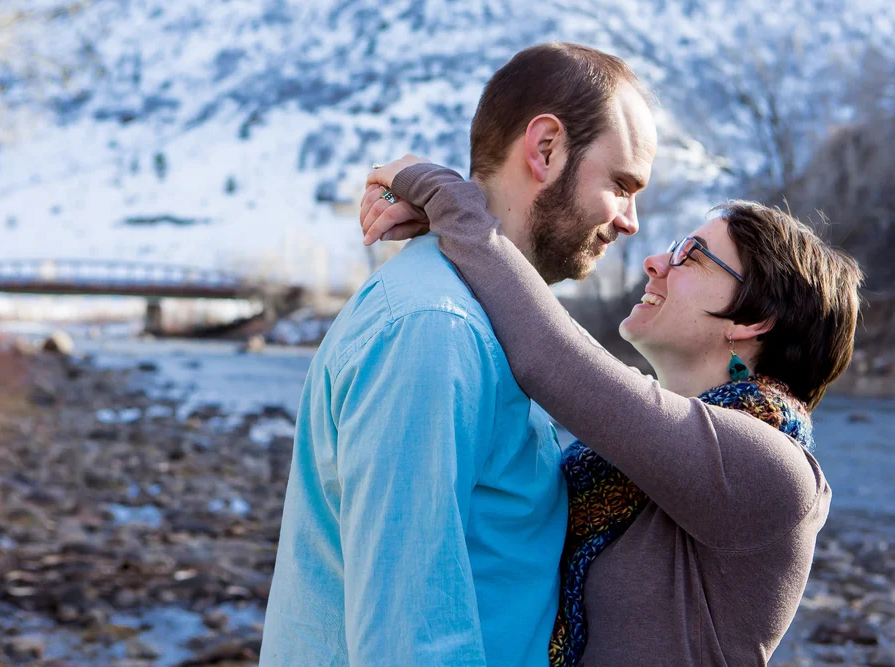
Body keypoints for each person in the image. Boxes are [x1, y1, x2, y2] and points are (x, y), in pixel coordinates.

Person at [360, 158, 863, 666]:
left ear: (754, 320)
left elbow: (552, 355)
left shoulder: (769, 470)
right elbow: (558, 337)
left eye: (692, 256)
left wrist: (444, 196)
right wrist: (456, 233)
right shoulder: (647, 454)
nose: (655, 262)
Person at [260, 42, 657, 666]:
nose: (632, 220)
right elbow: (408, 642)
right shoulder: (435, 329)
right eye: (622, 184)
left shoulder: (485, 317)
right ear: (546, 149)